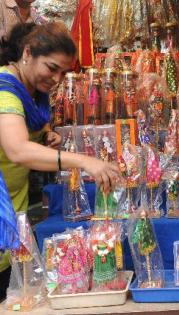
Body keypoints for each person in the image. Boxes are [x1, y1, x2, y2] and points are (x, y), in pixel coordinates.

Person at [0, 22, 121, 300]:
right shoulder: (5, 91)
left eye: (63, 72)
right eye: (51, 68)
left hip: (14, 202)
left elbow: (29, 124)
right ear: (27, 53)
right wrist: (82, 161)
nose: (56, 79)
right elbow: (17, 149)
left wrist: (47, 134)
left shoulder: (29, 91)